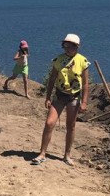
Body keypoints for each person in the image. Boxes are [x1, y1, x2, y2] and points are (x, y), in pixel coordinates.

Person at [31, 33, 90, 167]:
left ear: (77, 47)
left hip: (73, 97)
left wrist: (84, 101)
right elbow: (52, 79)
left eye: (71, 46)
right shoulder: (58, 60)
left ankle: (67, 155)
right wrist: (47, 97)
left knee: (71, 126)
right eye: (65, 45)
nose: (67, 48)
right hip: (59, 96)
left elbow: (86, 83)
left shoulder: (83, 61)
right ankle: (42, 153)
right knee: (49, 123)